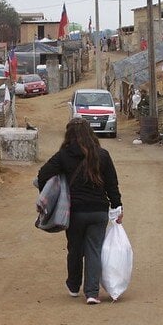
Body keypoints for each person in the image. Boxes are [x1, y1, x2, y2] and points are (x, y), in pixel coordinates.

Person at [37, 118, 123, 304]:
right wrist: (117, 208)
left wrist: (54, 195)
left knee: (74, 249)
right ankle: (92, 293)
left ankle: (74, 285)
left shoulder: (63, 156)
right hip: (99, 211)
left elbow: (42, 175)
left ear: (69, 135)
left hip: (74, 212)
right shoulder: (103, 155)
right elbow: (112, 185)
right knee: (94, 250)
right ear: (90, 134)